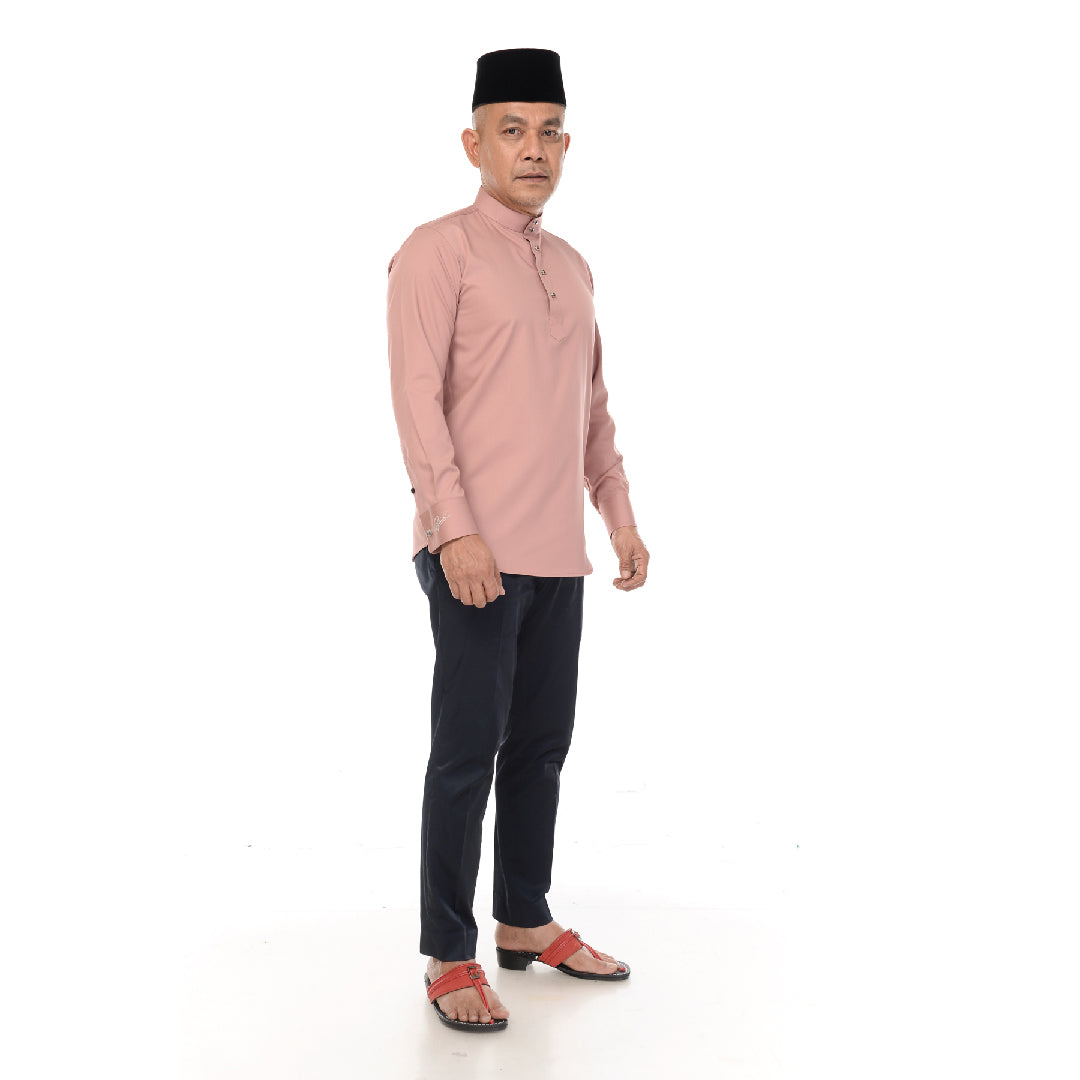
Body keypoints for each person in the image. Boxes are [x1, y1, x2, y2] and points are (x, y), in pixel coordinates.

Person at [386, 47, 649, 1032]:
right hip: (473, 554)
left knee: (539, 748)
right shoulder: (436, 251)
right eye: (512, 130)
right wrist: (454, 532)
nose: (533, 149)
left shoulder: (573, 266)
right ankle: (448, 950)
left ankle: (524, 920)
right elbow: (416, 400)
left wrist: (618, 514)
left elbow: (592, 408)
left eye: (549, 132)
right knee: (466, 753)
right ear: (474, 144)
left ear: (566, 146)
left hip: (557, 553)